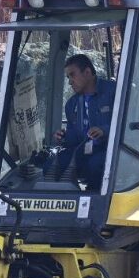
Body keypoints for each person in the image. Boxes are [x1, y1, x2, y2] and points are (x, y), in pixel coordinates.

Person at [50, 53, 116, 187]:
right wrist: (63, 136)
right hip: (85, 150)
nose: (69, 82)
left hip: (113, 149)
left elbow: (129, 124)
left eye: (72, 75)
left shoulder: (114, 92)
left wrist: (104, 131)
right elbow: (75, 137)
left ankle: (93, 203)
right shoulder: (71, 104)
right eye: (68, 77)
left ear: (87, 72)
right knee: (51, 165)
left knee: (95, 166)